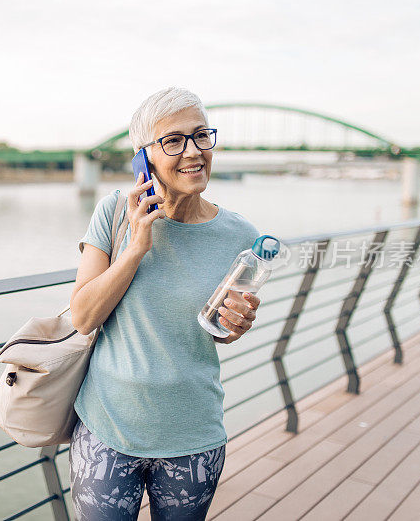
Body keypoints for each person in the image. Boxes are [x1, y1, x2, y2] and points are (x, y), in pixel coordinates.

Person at [68, 87, 261, 520]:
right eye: (173, 141)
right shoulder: (114, 213)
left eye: (201, 136)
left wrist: (236, 324)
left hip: (193, 438)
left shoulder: (240, 236)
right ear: (145, 158)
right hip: (108, 430)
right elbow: (83, 317)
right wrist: (137, 245)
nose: (193, 152)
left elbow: (220, 331)